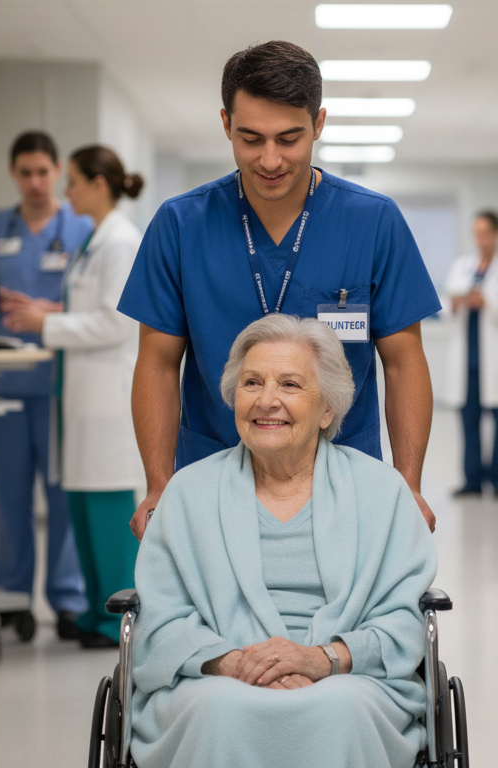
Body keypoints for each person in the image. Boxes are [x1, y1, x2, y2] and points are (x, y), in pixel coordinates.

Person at [117, 41, 440, 539]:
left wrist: (408, 485)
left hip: (345, 477)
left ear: (319, 124)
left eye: (289, 138)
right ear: (225, 125)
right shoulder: (181, 225)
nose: (270, 159)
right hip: (213, 473)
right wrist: (160, 485)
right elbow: (157, 363)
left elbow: (403, 361)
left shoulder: (372, 221)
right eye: (250, 138)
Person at [129, 314, 436, 768]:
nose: (267, 400)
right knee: (220, 709)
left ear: (328, 408)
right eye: (252, 382)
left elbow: (404, 623)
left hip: (348, 676)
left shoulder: (381, 491)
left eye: (290, 385)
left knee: (340, 708)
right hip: (217, 674)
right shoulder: (187, 493)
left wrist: (322, 659)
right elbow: (160, 620)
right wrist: (234, 663)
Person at [1, 144, 147, 649]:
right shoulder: (97, 241)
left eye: (74, 182)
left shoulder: (120, 241)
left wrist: (48, 322)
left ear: (99, 185)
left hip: (107, 399)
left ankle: (116, 620)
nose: (67, 193)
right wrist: (50, 310)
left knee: (106, 508)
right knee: (82, 503)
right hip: (82, 397)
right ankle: (92, 610)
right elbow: (88, 303)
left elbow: (115, 321)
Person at [0, 130, 93, 638]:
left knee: (62, 497)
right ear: (12, 174)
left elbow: (99, 306)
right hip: (3, 383)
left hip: (57, 385)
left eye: (43, 172)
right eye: (25, 173)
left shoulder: (84, 230)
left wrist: (43, 312)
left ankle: (67, 598)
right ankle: (10, 596)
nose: (35, 183)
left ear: (57, 170)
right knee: (10, 498)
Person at [442, 210, 498, 499]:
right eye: (476, 233)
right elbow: (444, 306)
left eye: (485, 233)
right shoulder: (462, 265)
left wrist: (487, 302)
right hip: (467, 360)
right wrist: (456, 304)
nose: (480, 239)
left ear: (497, 233)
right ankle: (472, 481)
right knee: (469, 421)